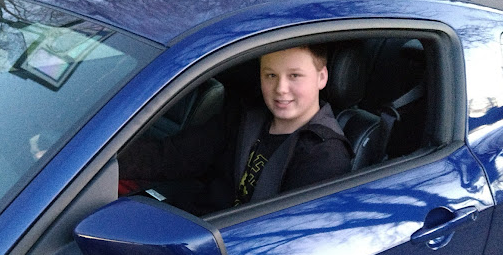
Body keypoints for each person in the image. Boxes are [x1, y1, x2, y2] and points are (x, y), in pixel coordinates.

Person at [119, 44, 352, 214]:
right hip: (195, 224)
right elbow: (176, 155)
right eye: (270, 75)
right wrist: (109, 160)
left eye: (295, 76)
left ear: (322, 77)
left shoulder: (324, 154)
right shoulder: (246, 117)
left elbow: (283, 234)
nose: (281, 88)